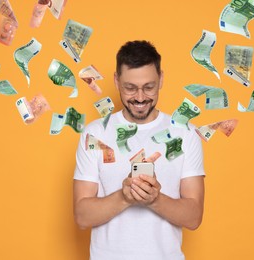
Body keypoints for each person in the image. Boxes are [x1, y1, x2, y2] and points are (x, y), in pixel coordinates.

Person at [73, 40, 205, 260]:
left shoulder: (186, 133)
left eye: (149, 87)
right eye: (130, 88)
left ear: (161, 79)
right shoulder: (95, 133)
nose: (141, 97)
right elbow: (82, 216)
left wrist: (154, 199)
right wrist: (125, 197)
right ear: (116, 81)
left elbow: (193, 218)